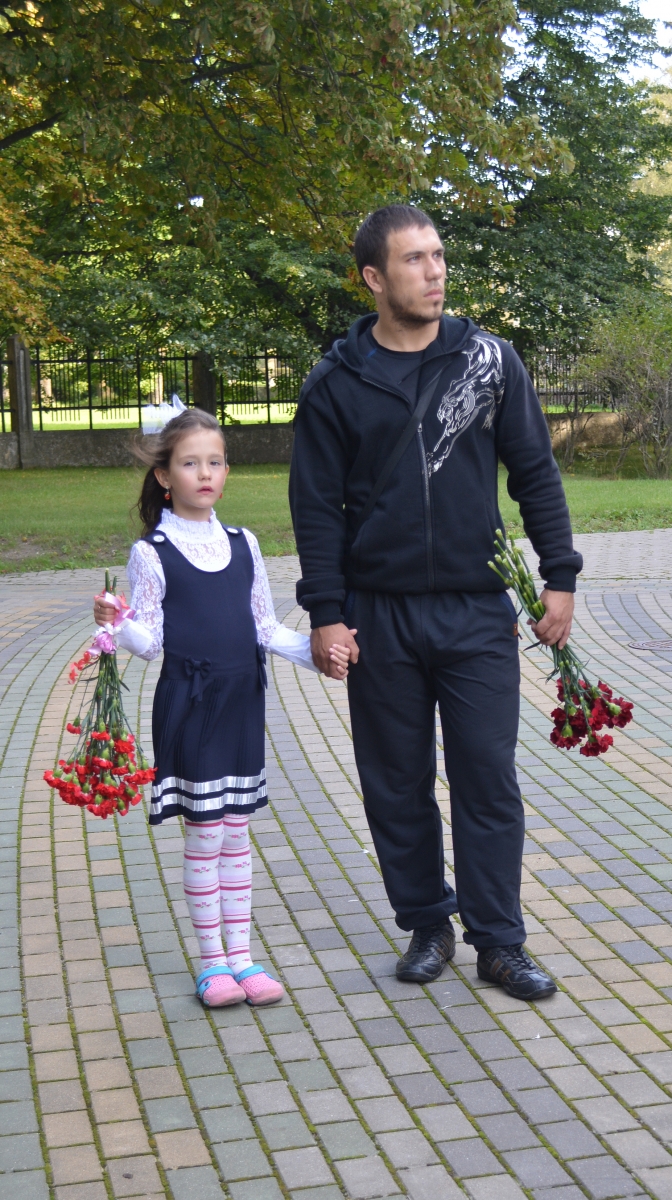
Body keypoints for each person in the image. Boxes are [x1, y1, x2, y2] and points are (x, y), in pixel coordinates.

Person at [290, 204, 583, 1002]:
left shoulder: (489, 360)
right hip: (378, 613)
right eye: (414, 259)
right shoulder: (335, 382)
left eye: (439, 255)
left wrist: (559, 576)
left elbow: (535, 473)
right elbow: (315, 508)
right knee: (395, 781)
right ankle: (427, 923)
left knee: (487, 776)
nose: (435, 271)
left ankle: (500, 942)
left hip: (475, 609)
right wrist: (326, 613)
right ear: (374, 278)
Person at [93, 409, 350, 1008]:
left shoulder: (243, 543)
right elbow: (149, 643)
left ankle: (243, 957)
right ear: (165, 476)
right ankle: (212, 964)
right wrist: (117, 621)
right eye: (190, 463)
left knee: (237, 834)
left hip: (241, 704)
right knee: (206, 834)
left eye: (215, 462)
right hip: (191, 706)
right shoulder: (152, 552)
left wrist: (320, 655)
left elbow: (264, 627)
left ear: (227, 471)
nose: (205, 473)